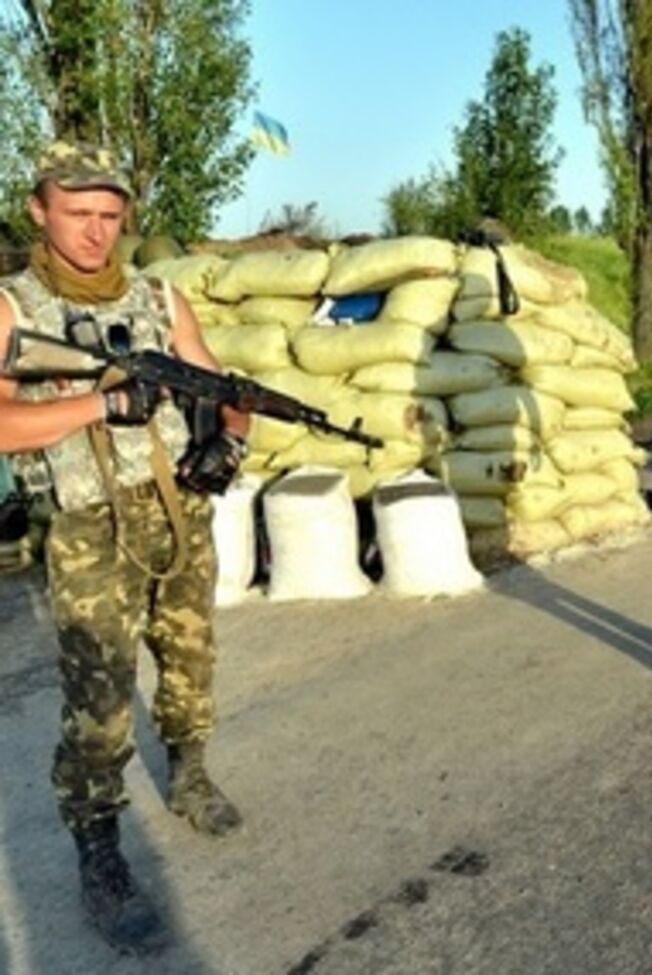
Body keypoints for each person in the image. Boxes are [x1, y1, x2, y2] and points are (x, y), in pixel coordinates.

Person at [0, 141, 249, 953]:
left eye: (110, 215)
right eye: (77, 213)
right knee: (101, 693)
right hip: (83, 525)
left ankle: (190, 770)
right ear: (38, 208)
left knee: (189, 653)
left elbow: (216, 385)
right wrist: (97, 408)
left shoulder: (158, 296)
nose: (95, 231)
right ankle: (98, 844)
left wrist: (226, 440)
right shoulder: (14, 308)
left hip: (173, 510)